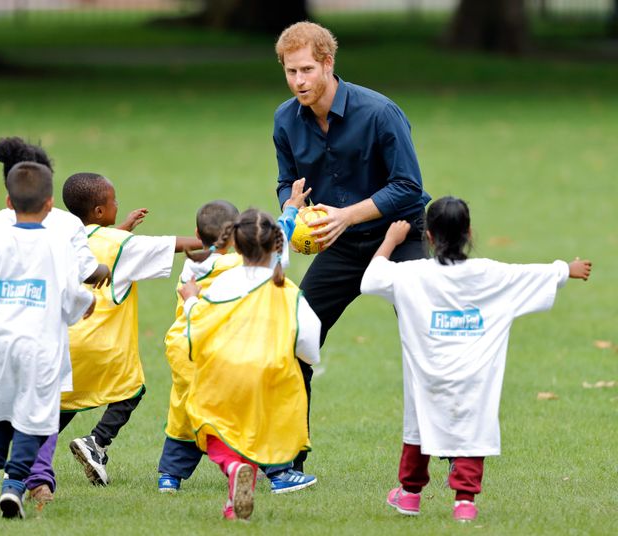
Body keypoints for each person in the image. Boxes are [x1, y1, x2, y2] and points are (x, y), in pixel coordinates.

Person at [359, 196, 592, 522]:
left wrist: (390, 240)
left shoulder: (411, 274)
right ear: (469, 232)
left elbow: (370, 280)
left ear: (428, 236)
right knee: (472, 427)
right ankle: (464, 502)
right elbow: (530, 274)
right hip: (475, 378)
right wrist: (566, 269)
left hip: (426, 376)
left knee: (418, 426)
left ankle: (410, 495)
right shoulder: (491, 274)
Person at [272, 21, 431, 471]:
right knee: (295, 340)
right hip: (338, 243)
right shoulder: (285, 119)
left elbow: (408, 186)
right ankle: (289, 459)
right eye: (290, 72)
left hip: (401, 234)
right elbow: (287, 181)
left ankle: (445, 457)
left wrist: (345, 215)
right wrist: (292, 205)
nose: (298, 81)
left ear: (328, 63)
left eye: (306, 70)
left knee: (426, 344)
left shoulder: (380, 113)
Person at [0, 137, 117, 504]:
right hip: (42, 339)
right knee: (40, 410)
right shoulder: (66, 226)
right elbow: (84, 273)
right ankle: (35, 481)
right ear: (49, 192)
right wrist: (95, 281)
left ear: (8, 192)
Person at [158, 179, 317, 495]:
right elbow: (272, 249)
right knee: (262, 413)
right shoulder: (252, 274)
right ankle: (279, 473)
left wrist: (288, 210)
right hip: (237, 353)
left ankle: (170, 477)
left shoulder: (196, 266)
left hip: (189, 348)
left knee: (188, 414)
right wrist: (290, 212)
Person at [60, 172, 203, 486]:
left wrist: (120, 228)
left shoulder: (64, 238)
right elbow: (171, 246)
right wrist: (212, 238)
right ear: (99, 211)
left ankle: (21, 453)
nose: (117, 204)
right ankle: (96, 442)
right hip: (103, 345)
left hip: (63, 341)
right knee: (132, 389)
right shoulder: (123, 244)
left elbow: (97, 244)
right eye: (113, 201)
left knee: (64, 398)